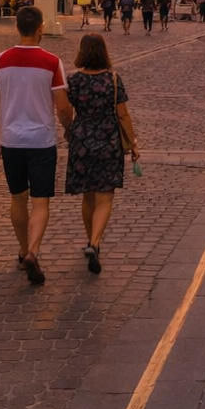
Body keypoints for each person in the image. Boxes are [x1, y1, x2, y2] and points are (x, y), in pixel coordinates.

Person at [0, 6, 68, 286]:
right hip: (42, 140)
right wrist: (68, 127)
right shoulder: (52, 62)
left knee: (18, 197)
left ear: (17, 27)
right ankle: (33, 250)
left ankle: (22, 250)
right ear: (41, 28)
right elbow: (62, 105)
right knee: (41, 201)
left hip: (11, 140)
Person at [58, 33, 140, 276]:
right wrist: (133, 143)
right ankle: (95, 241)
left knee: (88, 195)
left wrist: (69, 129)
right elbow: (123, 114)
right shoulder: (113, 79)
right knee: (105, 196)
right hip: (108, 138)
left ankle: (89, 240)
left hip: (81, 138)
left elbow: (65, 109)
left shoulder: (75, 81)